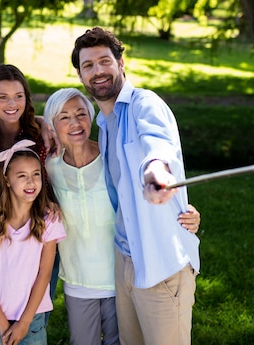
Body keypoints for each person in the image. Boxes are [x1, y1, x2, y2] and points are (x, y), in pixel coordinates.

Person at [70, 27, 201, 345]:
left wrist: (156, 173)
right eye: (88, 66)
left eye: (104, 61)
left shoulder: (145, 105)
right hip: (125, 260)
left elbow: (157, 146)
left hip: (161, 263)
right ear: (80, 74)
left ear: (121, 63)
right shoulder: (103, 123)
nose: (97, 71)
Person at [0, 63, 61, 310]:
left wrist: (49, 201)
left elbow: (48, 176)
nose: (11, 104)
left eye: (18, 96)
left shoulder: (39, 133)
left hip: (37, 230)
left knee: (37, 307)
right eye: (3, 97)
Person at [43, 88, 119, 345]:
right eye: (64, 117)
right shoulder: (49, 167)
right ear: (52, 126)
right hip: (78, 280)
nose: (75, 123)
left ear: (92, 116)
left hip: (120, 278)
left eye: (81, 114)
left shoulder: (112, 159)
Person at [0, 141, 66, 345]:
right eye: (22, 176)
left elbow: (45, 274)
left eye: (36, 174)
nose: (31, 182)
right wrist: (1, 323)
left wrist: (24, 323)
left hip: (32, 319)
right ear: (7, 180)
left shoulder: (49, 221)